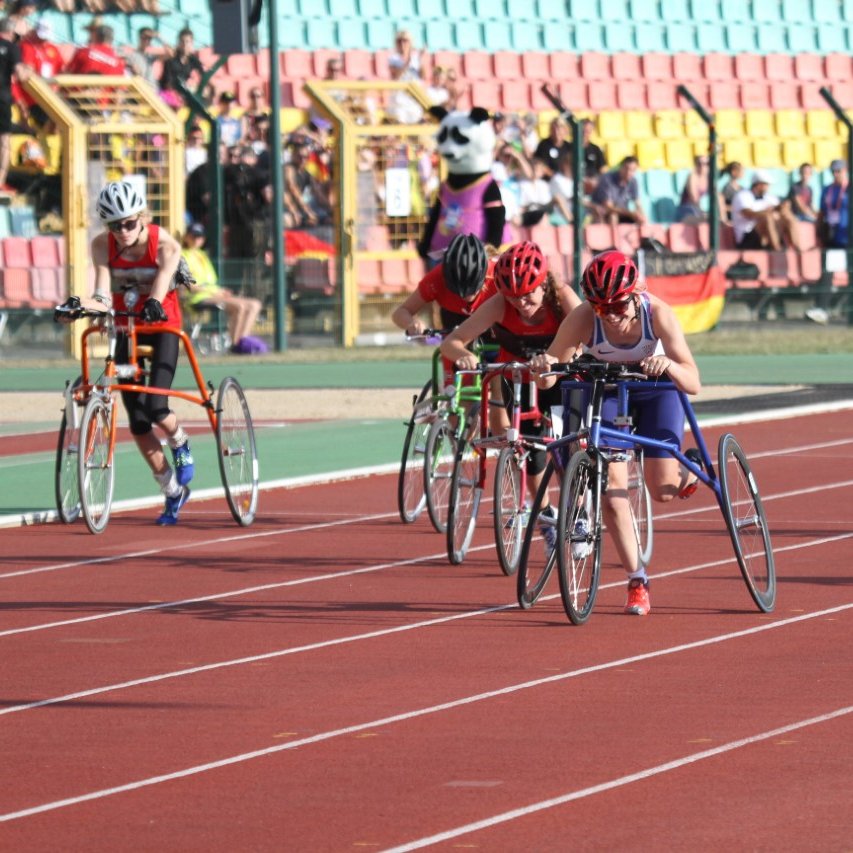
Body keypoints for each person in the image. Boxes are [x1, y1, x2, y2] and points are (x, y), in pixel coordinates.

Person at [530, 250, 702, 616]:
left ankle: (687, 467)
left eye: (618, 305)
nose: (611, 314)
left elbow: (694, 383)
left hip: (657, 391)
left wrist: (668, 363)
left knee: (663, 492)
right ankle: (637, 580)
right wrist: (543, 366)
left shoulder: (657, 313)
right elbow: (548, 377)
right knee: (611, 493)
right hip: (608, 393)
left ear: (634, 293)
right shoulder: (582, 318)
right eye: (601, 307)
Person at [54, 181, 195, 525]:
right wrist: (75, 305)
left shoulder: (165, 244)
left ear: (142, 217)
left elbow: (161, 286)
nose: (123, 231)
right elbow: (102, 295)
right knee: (138, 421)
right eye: (115, 225)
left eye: (129, 223)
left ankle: (180, 441)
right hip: (125, 325)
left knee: (156, 406)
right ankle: (172, 491)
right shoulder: (102, 245)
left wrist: (154, 303)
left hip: (162, 324)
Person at [441, 241, 582, 525]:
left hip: (560, 375)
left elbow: (591, 334)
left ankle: (579, 513)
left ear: (544, 284)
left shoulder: (563, 298)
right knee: (529, 449)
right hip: (516, 376)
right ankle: (545, 518)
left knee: (568, 446)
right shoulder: (498, 304)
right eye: (513, 297)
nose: (521, 304)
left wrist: (575, 354)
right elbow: (451, 342)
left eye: (528, 295)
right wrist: (465, 355)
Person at [182, 222, 263, 350]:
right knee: (240, 307)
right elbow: (188, 285)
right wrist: (215, 293)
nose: (197, 240)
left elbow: (210, 282)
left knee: (255, 304)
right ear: (186, 236)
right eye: (193, 236)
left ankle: (242, 342)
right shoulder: (182, 255)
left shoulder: (202, 255)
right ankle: (235, 345)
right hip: (197, 297)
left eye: (200, 237)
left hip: (212, 294)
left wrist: (220, 291)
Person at [731, 169, 800, 251]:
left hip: (767, 234)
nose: (768, 187)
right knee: (767, 217)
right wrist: (768, 212)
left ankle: (797, 248)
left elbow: (778, 210)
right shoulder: (743, 195)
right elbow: (747, 213)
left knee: (787, 215)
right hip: (747, 236)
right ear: (758, 184)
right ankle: (776, 248)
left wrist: (782, 207)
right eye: (766, 185)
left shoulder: (769, 197)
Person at [0, 17, 30, 193]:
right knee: (4, 140)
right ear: (11, 32)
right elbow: (20, 73)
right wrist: (29, 71)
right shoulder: (12, 48)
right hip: (2, 99)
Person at [591, 155, 647, 226]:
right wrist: (630, 213)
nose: (628, 172)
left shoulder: (633, 181)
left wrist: (641, 215)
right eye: (626, 168)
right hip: (603, 212)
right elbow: (608, 206)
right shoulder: (607, 179)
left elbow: (637, 203)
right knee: (613, 216)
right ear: (621, 167)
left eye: (632, 170)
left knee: (642, 219)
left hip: (623, 212)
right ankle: (613, 236)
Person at [158, 28, 204, 109]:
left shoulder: (192, 59)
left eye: (187, 42)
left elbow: (204, 74)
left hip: (183, 92)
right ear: (178, 42)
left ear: (192, 43)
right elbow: (168, 83)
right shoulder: (171, 59)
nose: (185, 45)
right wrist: (182, 93)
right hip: (167, 93)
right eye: (182, 41)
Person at [675, 154, 712, 223]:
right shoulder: (692, 177)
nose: (702, 166)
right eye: (699, 163)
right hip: (687, 211)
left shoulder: (709, 178)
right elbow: (694, 198)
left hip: (699, 210)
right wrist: (703, 212)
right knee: (707, 219)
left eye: (706, 164)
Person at [581, 118, 607, 195]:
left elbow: (603, 170)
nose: (585, 134)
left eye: (588, 131)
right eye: (583, 131)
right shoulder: (569, 148)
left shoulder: (596, 149)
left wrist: (596, 180)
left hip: (593, 184)